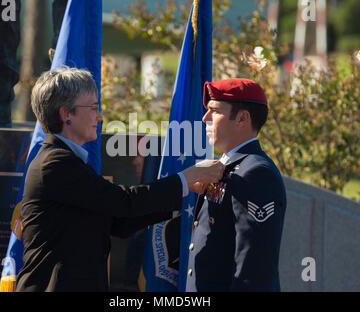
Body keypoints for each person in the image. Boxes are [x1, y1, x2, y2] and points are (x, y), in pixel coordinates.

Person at [15, 67, 224, 292]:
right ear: (66, 114)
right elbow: (123, 202)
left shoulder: (66, 161)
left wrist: (185, 194)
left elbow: (117, 222)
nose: (100, 116)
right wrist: (185, 178)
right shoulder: (55, 163)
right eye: (93, 108)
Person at [186, 78, 287, 292]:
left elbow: (254, 268)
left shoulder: (256, 173)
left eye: (215, 111)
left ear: (242, 118)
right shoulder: (228, 166)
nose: (205, 118)